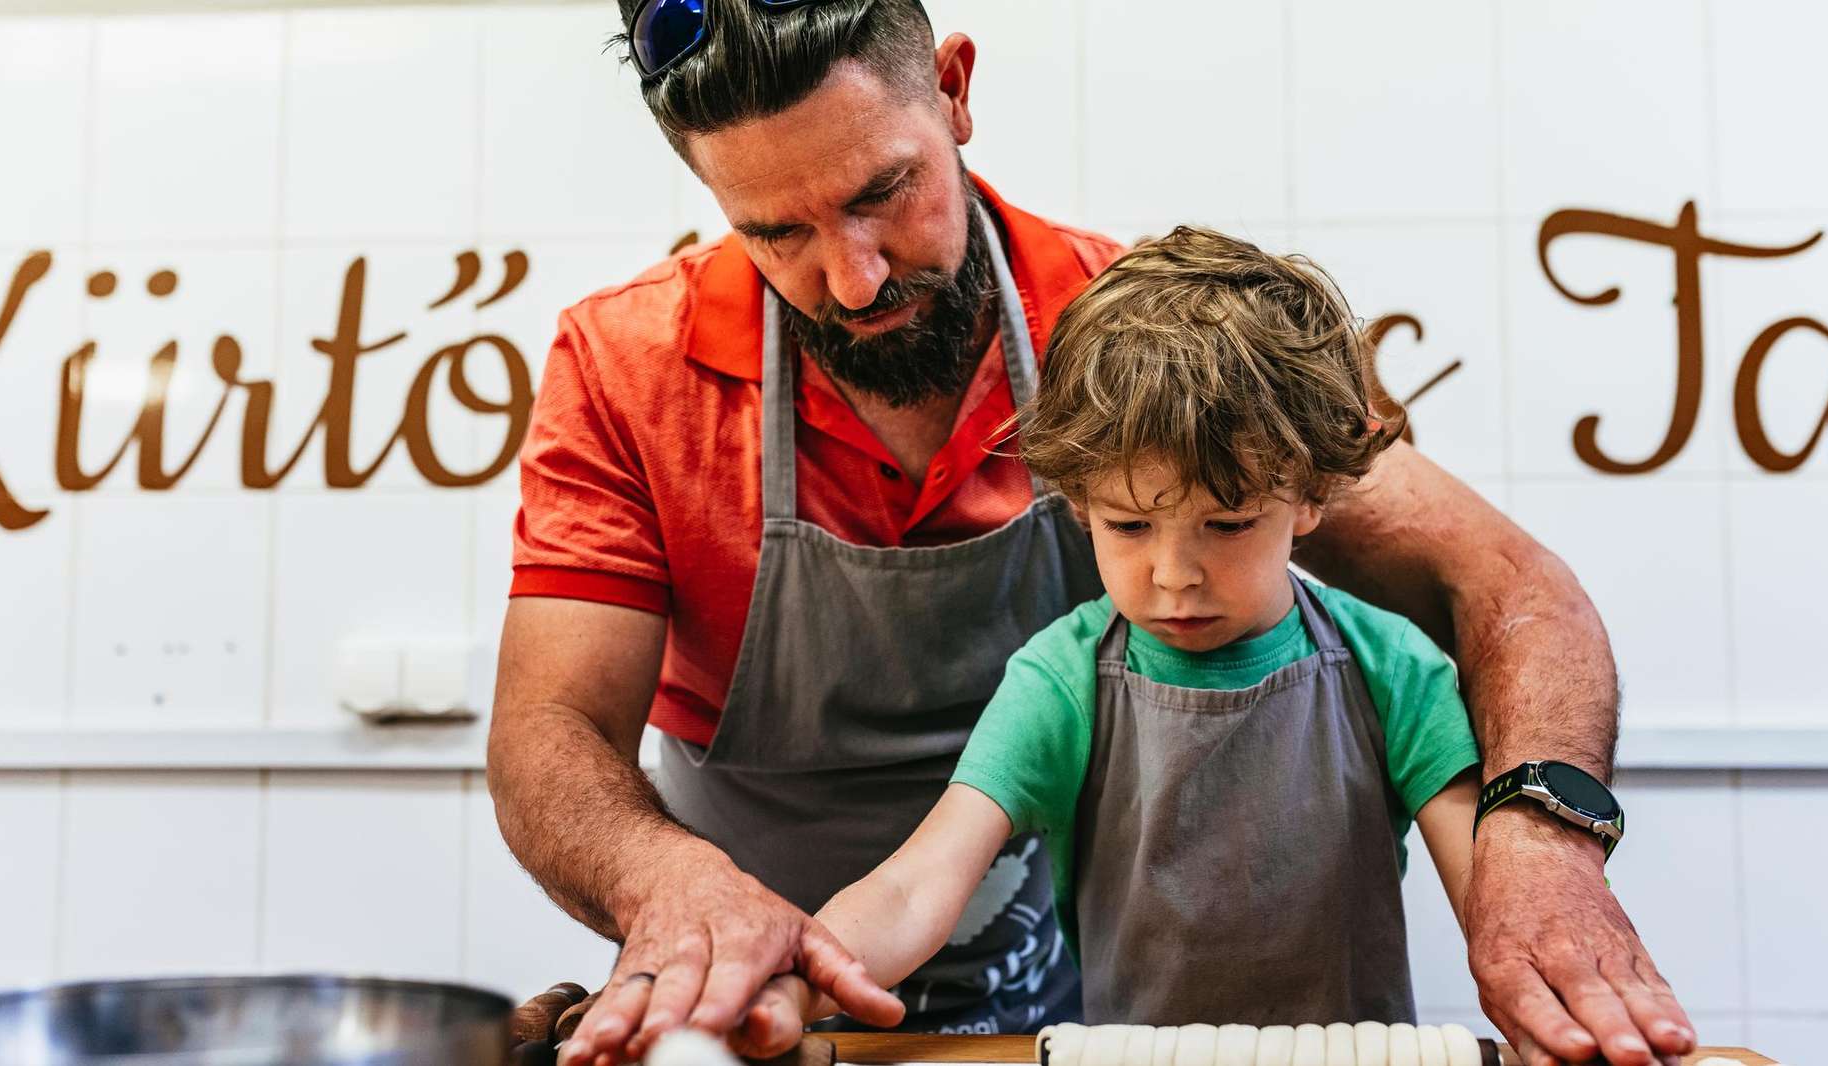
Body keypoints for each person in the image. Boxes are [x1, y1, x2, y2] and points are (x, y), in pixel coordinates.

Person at [487, 3, 1694, 1065]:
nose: (851, 279)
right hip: (775, 1003)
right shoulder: (619, 368)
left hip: (1080, 1019)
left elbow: (1510, 584)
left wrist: (1541, 861)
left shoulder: (1137, 346)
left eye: (879, 194)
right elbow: (549, 730)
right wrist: (683, 899)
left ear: (954, 91)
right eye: (776, 234)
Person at [597, 226, 1486, 1047]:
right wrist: (791, 985)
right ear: (1080, 501)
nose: (1174, 575)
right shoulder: (1064, 679)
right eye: (1130, 528)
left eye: (1228, 525)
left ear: (1312, 498)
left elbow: (1495, 898)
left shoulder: (1392, 668)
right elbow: (917, 886)